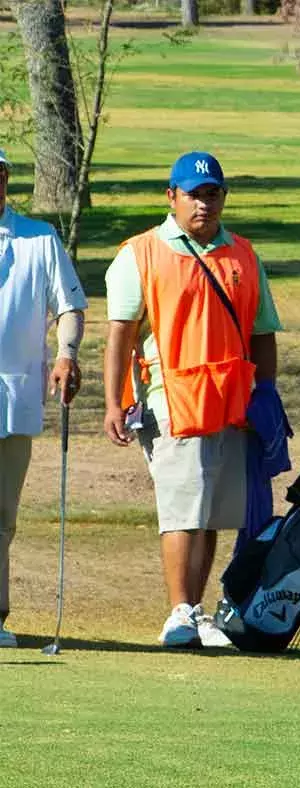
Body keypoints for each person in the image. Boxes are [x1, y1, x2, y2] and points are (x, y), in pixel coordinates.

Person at [103, 151, 283, 649]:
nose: (203, 204)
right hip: (171, 399)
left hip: (232, 402)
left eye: (212, 194)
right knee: (183, 508)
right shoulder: (139, 253)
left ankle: (197, 610)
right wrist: (114, 403)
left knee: (212, 511)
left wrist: (265, 393)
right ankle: (178, 611)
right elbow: (120, 334)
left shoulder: (243, 254)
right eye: (193, 195)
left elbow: (263, 331)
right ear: (172, 197)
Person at [0, 148, 87, 648]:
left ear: (6, 178)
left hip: (14, 397)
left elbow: (70, 305)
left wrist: (66, 354)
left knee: (2, 517)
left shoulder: (39, 238)